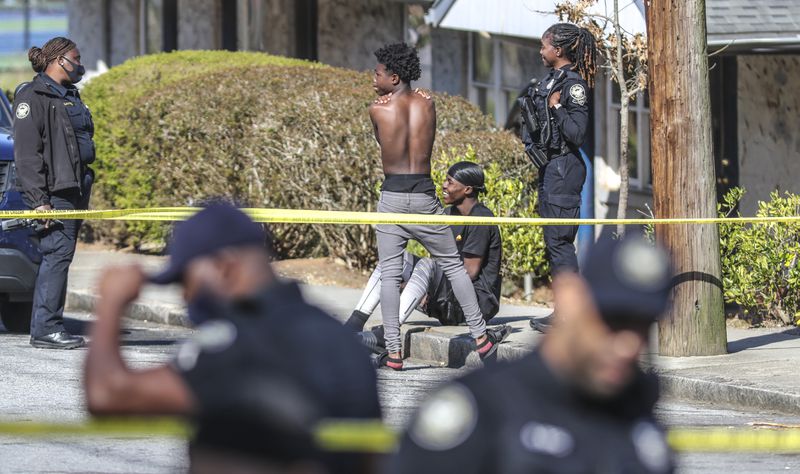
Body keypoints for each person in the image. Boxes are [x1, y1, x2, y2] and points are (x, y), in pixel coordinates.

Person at [84, 203, 382, 474]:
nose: (185, 295)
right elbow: (371, 456)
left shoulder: (231, 343)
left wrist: (111, 301)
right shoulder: (342, 340)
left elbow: (108, 395)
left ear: (223, 266)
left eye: (185, 280)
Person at [392, 237, 676, 474]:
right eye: (612, 321)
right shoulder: (480, 412)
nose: (628, 346)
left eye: (644, 326)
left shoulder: (642, 426)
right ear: (568, 298)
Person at [369, 42, 509, 370]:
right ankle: (481, 337)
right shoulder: (428, 104)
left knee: (390, 276)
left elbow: (382, 142)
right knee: (453, 266)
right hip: (423, 195)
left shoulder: (377, 109)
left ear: (394, 76)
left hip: (392, 197)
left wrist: (386, 104)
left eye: (377, 74)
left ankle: (393, 354)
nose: (372, 78)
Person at [345, 162, 502, 356]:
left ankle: (386, 335)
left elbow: (469, 272)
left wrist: (426, 286)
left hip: (473, 306)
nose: (443, 185)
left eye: (450, 182)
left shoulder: (481, 218)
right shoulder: (445, 214)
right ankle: (353, 324)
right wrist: (414, 284)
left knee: (428, 265)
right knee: (395, 262)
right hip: (446, 299)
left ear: (467, 189)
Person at [13, 37, 95, 349]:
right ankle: (47, 329)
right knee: (56, 256)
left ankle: (48, 325)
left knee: (62, 256)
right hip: (54, 193)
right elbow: (27, 156)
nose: (80, 63)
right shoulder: (32, 97)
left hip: (75, 189)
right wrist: (39, 202)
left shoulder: (68, 95)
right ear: (59, 60)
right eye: (76, 57)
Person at [518, 24, 597, 332]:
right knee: (554, 243)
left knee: (561, 243)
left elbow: (577, 133)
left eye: (544, 46)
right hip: (551, 168)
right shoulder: (551, 80)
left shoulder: (573, 85)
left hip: (565, 168)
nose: (541, 51)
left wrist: (559, 107)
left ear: (559, 50)